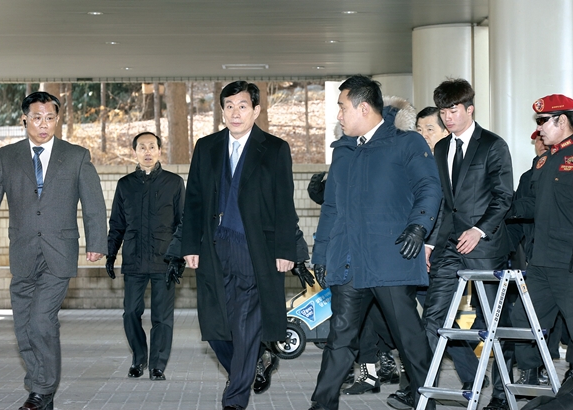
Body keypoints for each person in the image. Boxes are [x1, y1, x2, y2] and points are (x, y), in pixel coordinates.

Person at [307, 75, 442, 410]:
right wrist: (321, 254)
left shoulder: (406, 143)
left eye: (342, 107)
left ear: (364, 108)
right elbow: (331, 207)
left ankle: (425, 402)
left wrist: (418, 226)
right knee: (340, 338)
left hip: (390, 258)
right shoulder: (343, 151)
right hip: (349, 260)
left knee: (408, 337)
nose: (339, 115)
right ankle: (322, 405)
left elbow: (429, 187)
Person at [0, 91, 107, 410]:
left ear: (57, 120)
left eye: (50, 118)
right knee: (23, 325)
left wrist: (97, 242)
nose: (43, 124)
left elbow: (94, 203)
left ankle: (42, 389)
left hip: (59, 252)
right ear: (24, 119)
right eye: (36, 117)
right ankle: (39, 388)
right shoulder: (7, 156)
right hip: (22, 251)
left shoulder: (76, 156)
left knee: (41, 321)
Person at [180, 81, 297, 410]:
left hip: (254, 250)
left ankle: (234, 400)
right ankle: (256, 359)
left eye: (242, 106)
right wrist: (190, 245)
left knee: (245, 324)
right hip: (213, 247)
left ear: (256, 110)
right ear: (222, 111)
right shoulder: (207, 147)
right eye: (229, 106)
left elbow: (284, 203)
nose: (235, 112)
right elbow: (194, 200)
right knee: (216, 328)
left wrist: (286, 250)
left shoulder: (274, 149)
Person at [421, 79, 513, 410]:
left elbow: (504, 196)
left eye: (453, 111)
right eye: (443, 112)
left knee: (494, 325)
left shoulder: (493, 145)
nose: (448, 118)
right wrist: (431, 242)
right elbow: (444, 203)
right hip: (448, 246)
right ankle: (431, 391)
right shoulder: (441, 148)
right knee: (433, 319)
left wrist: (479, 230)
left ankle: (501, 396)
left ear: (470, 109)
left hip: (484, 247)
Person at [105, 131, 185, 381]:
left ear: (160, 150)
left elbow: (183, 223)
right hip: (134, 260)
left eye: (152, 147)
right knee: (131, 312)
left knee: (162, 317)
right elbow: (117, 224)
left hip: (164, 261)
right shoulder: (125, 185)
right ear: (134, 152)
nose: (147, 152)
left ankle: (157, 365)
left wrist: (178, 257)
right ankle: (139, 358)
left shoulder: (174, 183)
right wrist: (111, 254)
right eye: (142, 147)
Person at [509, 94, 573, 388]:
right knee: (524, 318)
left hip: (568, 262)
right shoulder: (543, 161)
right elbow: (531, 205)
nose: (539, 128)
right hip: (541, 261)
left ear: (563, 120)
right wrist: (503, 207)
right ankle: (531, 374)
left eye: (543, 121)